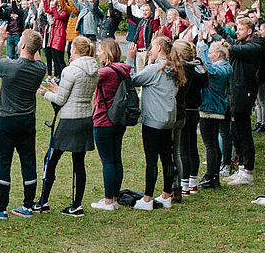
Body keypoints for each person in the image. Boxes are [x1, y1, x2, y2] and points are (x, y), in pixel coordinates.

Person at [0, 26, 46, 219]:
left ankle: (1, 207)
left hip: (6, 120)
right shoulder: (40, 68)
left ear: (22, 45)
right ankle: (28, 205)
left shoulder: (10, 66)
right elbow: (35, 57)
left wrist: (1, 40)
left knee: (3, 162)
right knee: (28, 161)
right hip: (27, 120)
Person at [35, 36, 100, 216]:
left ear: (75, 50)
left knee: (52, 158)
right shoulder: (94, 69)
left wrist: (45, 93)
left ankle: (43, 200)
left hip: (69, 119)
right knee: (79, 163)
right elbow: (77, 94)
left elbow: (61, 100)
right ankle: (76, 204)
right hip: (85, 117)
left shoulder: (71, 70)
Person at [128, 36, 184, 210]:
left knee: (151, 159)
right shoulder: (174, 68)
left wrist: (130, 58)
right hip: (168, 119)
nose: (150, 50)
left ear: (159, 48)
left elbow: (133, 79)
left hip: (153, 120)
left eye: (152, 46)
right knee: (167, 158)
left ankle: (147, 199)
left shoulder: (155, 69)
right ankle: (167, 195)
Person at [213, 18, 265, 186]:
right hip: (236, 92)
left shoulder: (255, 46)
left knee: (244, 132)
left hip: (245, 92)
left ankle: (248, 172)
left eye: (241, 29)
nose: (237, 32)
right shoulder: (243, 44)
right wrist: (218, 30)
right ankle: (241, 168)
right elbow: (233, 42)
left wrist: (217, 36)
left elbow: (233, 48)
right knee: (235, 131)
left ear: (249, 31)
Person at [88, 39, 132, 211]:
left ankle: (108, 201)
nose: (98, 53)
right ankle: (114, 196)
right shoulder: (124, 69)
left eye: (99, 50)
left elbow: (89, 78)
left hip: (103, 120)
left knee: (107, 161)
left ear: (106, 52)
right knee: (116, 159)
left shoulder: (106, 72)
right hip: (119, 119)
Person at [171, 39, 207, 198]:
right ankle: (192, 181)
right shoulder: (197, 68)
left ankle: (184, 182)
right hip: (195, 109)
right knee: (192, 145)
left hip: (185, 109)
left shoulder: (183, 69)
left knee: (184, 147)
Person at [196, 38, 232, 189]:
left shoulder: (222, 68)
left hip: (211, 108)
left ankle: (211, 176)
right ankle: (214, 175)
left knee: (210, 145)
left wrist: (202, 49)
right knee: (214, 145)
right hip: (216, 107)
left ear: (218, 54)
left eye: (211, 53)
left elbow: (209, 69)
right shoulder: (226, 67)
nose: (209, 56)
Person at [41, 0, 70, 80]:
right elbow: (47, 11)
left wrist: (53, 7)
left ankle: (64, 76)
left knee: (60, 58)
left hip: (60, 37)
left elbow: (58, 16)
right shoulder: (57, 10)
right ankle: (58, 76)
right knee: (55, 58)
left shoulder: (66, 11)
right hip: (54, 36)